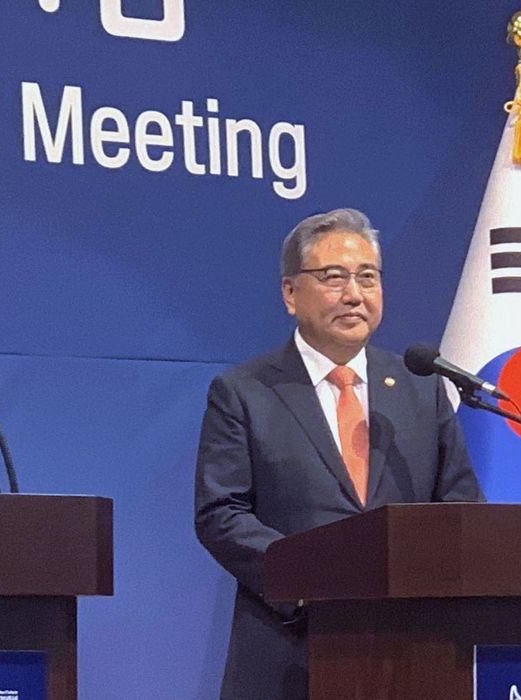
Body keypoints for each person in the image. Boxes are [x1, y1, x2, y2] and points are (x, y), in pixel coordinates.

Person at [194, 208, 482, 699]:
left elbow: (459, 508)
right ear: (290, 293)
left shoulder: (421, 387)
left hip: (411, 653)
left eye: (367, 277)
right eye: (334, 278)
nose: (354, 294)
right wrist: (311, 578)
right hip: (287, 651)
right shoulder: (244, 392)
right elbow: (221, 513)